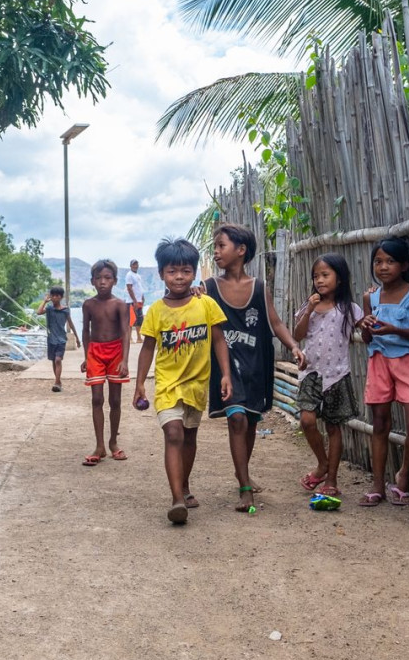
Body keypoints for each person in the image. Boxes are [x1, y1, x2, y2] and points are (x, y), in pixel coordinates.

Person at [204, 224, 305, 514]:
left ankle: (242, 472)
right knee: (236, 420)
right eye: (215, 246)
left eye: (221, 245)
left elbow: (275, 323)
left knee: (249, 423)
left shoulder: (259, 288)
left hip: (255, 366)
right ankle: (245, 487)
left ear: (241, 250)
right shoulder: (209, 288)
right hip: (226, 367)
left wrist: (295, 346)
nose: (216, 251)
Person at [133, 238, 232, 525]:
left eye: (186, 271)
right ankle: (177, 498)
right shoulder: (156, 311)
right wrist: (140, 383)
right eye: (172, 271)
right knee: (174, 433)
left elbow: (219, 340)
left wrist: (225, 374)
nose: (179, 277)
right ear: (162, 274)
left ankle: (185, 485)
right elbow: (148, 348)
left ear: (194, 273)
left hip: (197, 385)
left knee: (189, 436)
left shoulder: (206, 305)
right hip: (167, 385)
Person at [360, 237, 409, 506]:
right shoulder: (370, 297)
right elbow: (367, 339)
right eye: (378, 261)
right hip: (378, 361)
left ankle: (403, 475)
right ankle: (377, 484)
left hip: (408, 362)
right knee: (380, 423)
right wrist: (365, 327)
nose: (383, 267)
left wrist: (394, 329)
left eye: (390, 261)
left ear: (404, 265)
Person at [293, 254, 363, 502]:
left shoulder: (350, 309)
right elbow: (298, 334)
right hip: (311, 372)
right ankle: (322, 464)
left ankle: (331, 479)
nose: (320, 280)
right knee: (307, 421)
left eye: (325, 275)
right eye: (316, 276)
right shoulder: (308, 307)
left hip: (337, 374)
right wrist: (310, 308)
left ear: (340, 278)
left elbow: (367, 332)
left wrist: (369, 313)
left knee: (334, 427)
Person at [80, 260, 130, 465]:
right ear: (92, 281)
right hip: (95, 353)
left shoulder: (119, 305)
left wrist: (125, 360)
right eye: (98, 278)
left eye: (107, 278)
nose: (102, 282)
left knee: (115, 400)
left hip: (116, 351)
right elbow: (85, 331)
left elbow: (126, 332)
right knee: (97, 398)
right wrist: (86, 356)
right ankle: (99, 446)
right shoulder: (88, 305)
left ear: (115, 281)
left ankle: (113, 443)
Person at [36, 286, 78, 392]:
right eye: (53, 295)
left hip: (61, 339)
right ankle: (58, 381)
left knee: (58, 360)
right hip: (51, 339)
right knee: (54, 362)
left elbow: (71, 323)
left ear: (61, 297)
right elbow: (38, 312)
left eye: (57, 296)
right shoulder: (49, 309)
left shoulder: (65, 310)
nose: (55, 298)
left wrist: (77, 338)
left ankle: (57, 382)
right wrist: (44, 301)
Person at [124, 259, 145, 343]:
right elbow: (129, 288)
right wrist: (135, 301)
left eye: (136, 264)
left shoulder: (138, 276)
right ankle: (130, 338)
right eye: (134, 264)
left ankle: (139, 338)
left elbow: (139, 287)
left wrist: (142, 297)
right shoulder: (129, 275)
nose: (135, 266)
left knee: (139, 320)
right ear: (131, 266)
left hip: (139, 300)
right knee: (131, 320)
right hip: (131, 301)